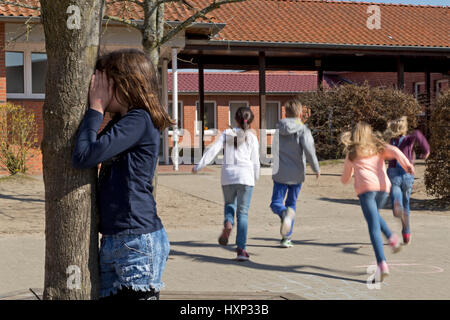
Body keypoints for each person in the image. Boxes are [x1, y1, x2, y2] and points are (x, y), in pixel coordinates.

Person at [72, 49, 173, 300]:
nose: (96, 88)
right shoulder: (123, 121)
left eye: (102, 82)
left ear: (124, 83)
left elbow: (84, 155)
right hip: (118, 238)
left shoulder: (139, 119)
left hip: (135, 240)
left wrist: (96, 108)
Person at [340, 122, 414, 282]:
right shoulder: (378, 148)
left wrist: (347, 176)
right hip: (383, 189)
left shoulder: (352, 153)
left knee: (373, 226)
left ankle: (382, 265)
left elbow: (345, 179)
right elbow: (395, 151)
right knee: (374, 216)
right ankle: (392, 238)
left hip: (366, 190)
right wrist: (407, 165)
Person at [192, 107, 260, 261]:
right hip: (246, 177)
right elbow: (256, 162)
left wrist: (199, 166)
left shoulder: (227, 134)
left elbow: (212, 150)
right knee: (243, 213)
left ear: (235, 119)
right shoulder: (252, 137)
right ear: (250, 121)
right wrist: (255, 178)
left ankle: (228, 223)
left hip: (228, 176)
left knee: (229, 204)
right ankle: (241, 249)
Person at [270, 98, 320, 248]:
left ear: (285, 112)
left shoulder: (278, 129)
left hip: (280, 172)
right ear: (299, 113)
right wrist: (316, 168)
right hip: (297, 173)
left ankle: (284, 214)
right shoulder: (303, 130)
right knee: (291, 204)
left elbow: (274, 149)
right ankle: (287, 238)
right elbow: (309, 150)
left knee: (276, 203)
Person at [384, 116, 430, 244]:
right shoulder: (409, 139)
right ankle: (406, 232)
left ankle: (396, 203)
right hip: (407, 174)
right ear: (404, 128)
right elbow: (417, 134)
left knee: (396, 194)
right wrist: (426, 150)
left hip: (394, 173)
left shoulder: (391, 141)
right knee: (406, 203)